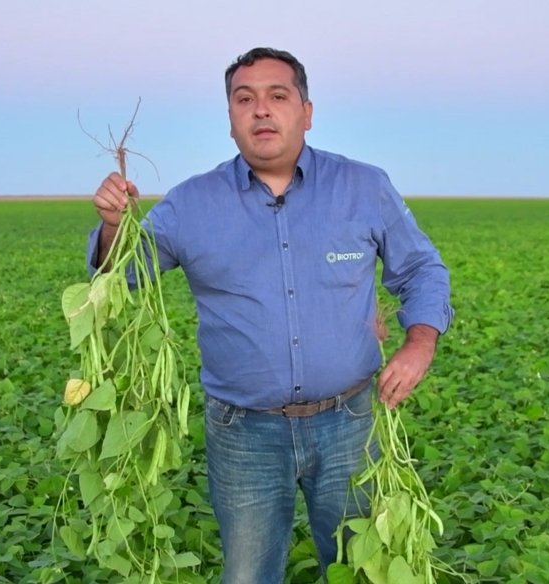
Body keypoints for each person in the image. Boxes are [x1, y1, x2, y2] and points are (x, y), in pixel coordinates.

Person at [87, 47, 453, 584]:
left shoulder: (362, 187)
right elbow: (120, 279)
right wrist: (115, 226)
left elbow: (421, 269)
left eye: (277, 96)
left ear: (306, 111)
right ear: (231, 119)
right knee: (249, 575)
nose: (262, 110)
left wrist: (420, 343)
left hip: (350, 422)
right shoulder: (190, 204)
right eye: (245, 99)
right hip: (243, 433)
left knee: (363, 567)